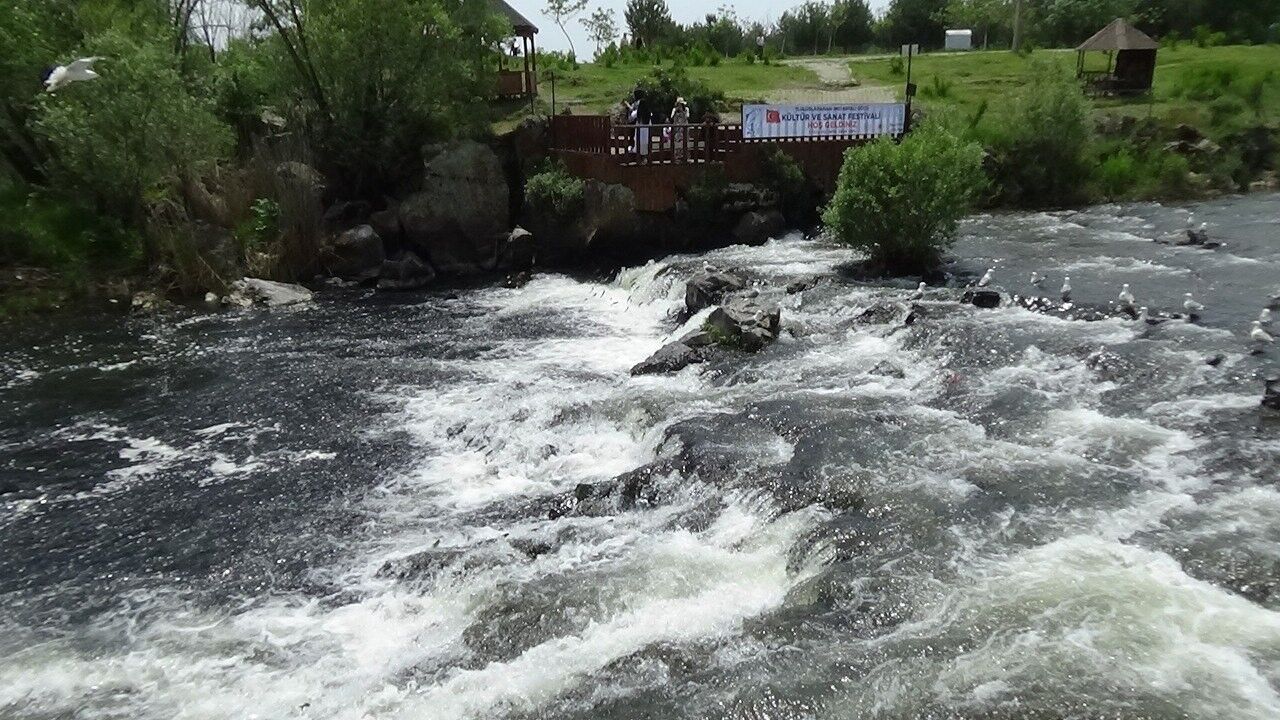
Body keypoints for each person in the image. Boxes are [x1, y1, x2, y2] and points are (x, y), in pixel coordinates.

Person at [670, 96, 690, 161]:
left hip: (684, 127)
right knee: (677, 142)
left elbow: (687, 116)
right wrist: (676, 111)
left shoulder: (686, 109)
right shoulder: (674, 110)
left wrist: (683, 111)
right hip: (677, 128)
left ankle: (685, 156)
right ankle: (677, 156)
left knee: (685, 141)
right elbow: (672, 117)